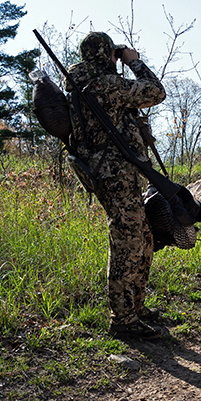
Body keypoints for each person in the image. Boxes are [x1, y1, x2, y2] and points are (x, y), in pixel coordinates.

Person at [67, 31, 166, 340]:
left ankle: (135, 307)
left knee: (143, 237)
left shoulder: (80, 83)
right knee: (126, 241)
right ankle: (122, 319)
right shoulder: (104, 85)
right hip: (116, 175)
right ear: (105, 54)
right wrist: (134, 62)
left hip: (114, 173)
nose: (117, 58)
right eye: (113, 53)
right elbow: (156, 92)